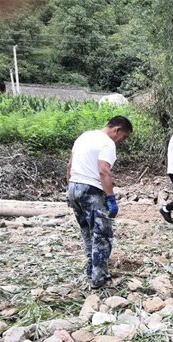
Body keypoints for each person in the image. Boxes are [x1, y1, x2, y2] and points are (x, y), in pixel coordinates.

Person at [66, 116, 133, 289]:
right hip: (91, 191)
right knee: (102, 235)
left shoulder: (84, 137)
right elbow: (104, 170)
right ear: (117, 130)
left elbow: (69, 165)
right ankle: (99, 278)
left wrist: (69, 189)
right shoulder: (107, 143)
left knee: (87, 232)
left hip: (74, 186)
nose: (122, 141)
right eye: (124, 136)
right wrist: (111, 198)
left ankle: (91, 269)